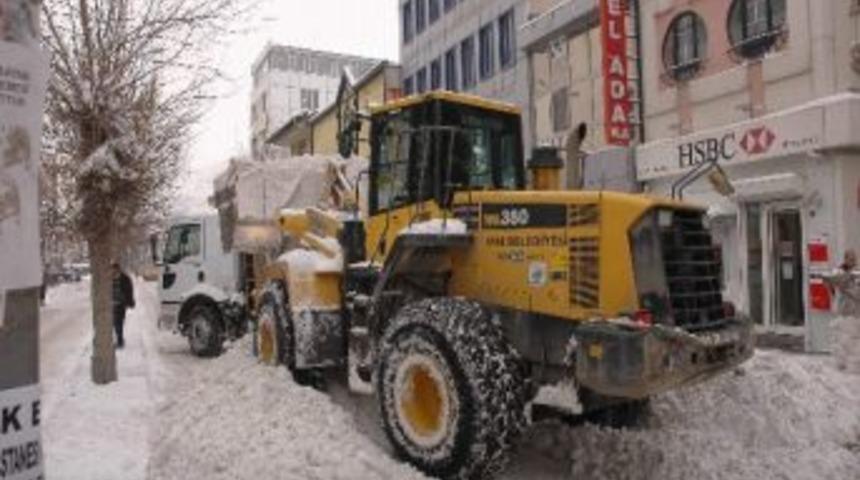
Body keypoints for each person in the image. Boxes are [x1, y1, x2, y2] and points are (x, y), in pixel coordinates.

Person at [825, 250, 860, 373]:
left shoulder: (854, 274)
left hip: (855, 312)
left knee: (853, 340)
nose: (853, 261)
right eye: (850, 259)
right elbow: (828, 280)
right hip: (844, 312)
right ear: (845, 259)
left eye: (854, 259)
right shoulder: (840, 273)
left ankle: (849, 365)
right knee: (844, 339)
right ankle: (844, 365)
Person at [112, 262, 135, 349]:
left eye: (115, 269)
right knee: (114, 323)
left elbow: (129, 290)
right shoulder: (108, 278)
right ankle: (118, 339)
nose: (113, 271)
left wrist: (130, 302)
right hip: (111, 303)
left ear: (118, 269)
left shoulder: (125, 278)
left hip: (121, 304)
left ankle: (120, 341)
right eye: (112, 269)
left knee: (119, 323)